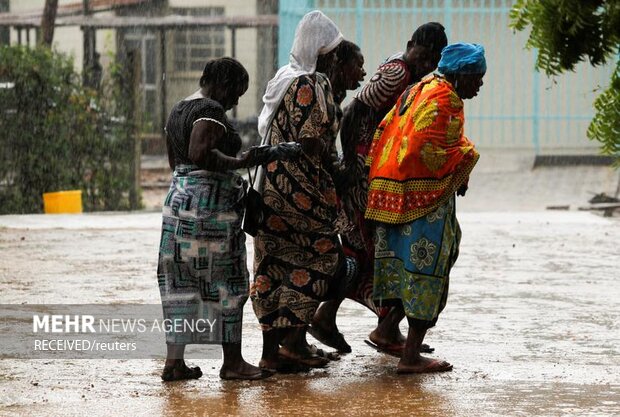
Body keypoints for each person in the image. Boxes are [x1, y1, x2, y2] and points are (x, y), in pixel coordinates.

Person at [157, 57, 300, 381]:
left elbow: (177, 161)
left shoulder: (179, 108)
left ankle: (174, 363)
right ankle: (232, 363)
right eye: (236, 92)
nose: (236, 102)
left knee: (179, 284)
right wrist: (242, 160)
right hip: (210, 213)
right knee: (228, 283)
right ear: (221, 84)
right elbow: (201, 153)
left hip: (177, 206)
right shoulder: (210, 109)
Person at [310, 22, 448, 355]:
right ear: (409, 44)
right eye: (423, 54)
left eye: (434, 59)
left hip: (377, 172)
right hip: (367, 177)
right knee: (367, 248)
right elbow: (356, 111)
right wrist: (357, 163)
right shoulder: (397, 73)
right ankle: (334, 318)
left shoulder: (411, 73)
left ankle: (378, 326)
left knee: (372, 250)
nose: (427, 63)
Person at [365, 42, 485, 373]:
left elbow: (387, 130)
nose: (480, 85)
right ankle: (410, 356)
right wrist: (465, 159)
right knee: (428, 270)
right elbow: (425, 144)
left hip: (392, 196)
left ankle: (386, 329)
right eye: (478, 77)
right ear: (462, 74)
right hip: (422, 202)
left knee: (405, 270)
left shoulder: (419, 88)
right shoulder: (446, 97)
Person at [250, 10, 353, 372]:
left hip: (270, 191)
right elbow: (311, 140)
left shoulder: (284, 77)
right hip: (300, 191)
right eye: (333, 51)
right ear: (322, 51)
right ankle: (293, 343)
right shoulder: (310, 83)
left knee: (272, 265)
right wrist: (335, 166)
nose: (335, 58)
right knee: (328, 260)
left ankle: (278, 350)